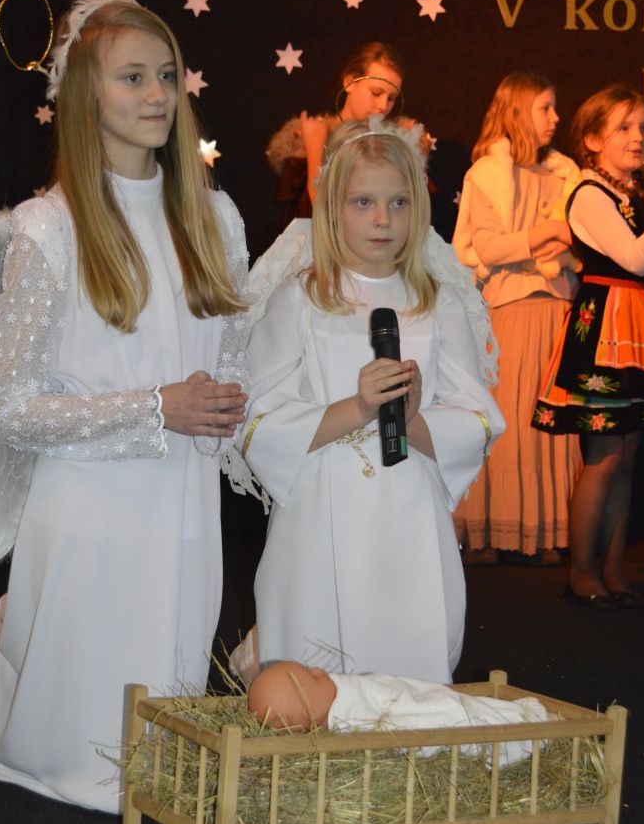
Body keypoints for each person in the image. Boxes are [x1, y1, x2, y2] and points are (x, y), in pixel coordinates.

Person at [0, 0, 250, 811]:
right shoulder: (50, 229)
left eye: (167, 75)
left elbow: (235, 354)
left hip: (182, 502)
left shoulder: (216, 217)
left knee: (156, 734)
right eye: (133, 77)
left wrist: (229, 404)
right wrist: (155, 408)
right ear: (85, 95)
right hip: (91, 507)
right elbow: (10, 407)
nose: (158, 94)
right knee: (82, 755)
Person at [238, 119, 504, 684]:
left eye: (398, 202)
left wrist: (413, 418)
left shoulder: (438, 305)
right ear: (333, 210)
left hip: (409, 511)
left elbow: (478, 418)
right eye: (364, 202)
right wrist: (358, 408)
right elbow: (259, 422)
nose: (383, 219)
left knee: (409, 649)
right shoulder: (300, 301)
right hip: (318, 510)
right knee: (316, 657)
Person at [532, 84, 644, 608]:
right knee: (605, 455)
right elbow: (635, 258)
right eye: (624, 128)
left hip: (640, 325)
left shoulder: (640, 194)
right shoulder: (590, 193)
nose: (639, 138)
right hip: (605, 324)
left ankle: (612, 569)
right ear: (592, 139)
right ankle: (582, 571)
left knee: (629, 455)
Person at [452, 73, 584, 565]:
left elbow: (579, 240)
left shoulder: (565, 175)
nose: (556, 118)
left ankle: (546, 531)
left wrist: (556, 240)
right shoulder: (488, 174)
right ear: (517, 111)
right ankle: (492, 530)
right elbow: (486, 247)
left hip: (559, 308)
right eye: (545, 107)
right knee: (510, 424)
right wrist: (546, 232)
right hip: (511, 309)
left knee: (552, 426)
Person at [247, 661, 549, 767]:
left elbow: (401, 689)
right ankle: (520, 728)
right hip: (442, 715)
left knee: (445, 700)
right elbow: (410, 721)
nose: (319, 669)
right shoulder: (356, 718)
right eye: (313, 677)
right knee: (455, 711)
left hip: (427, 699)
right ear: (312, 713)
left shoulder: (344, 697)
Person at [266, 41, 430, 223]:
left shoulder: (399, 146)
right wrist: (315, 148)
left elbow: (414, 217)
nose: (383, 105)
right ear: (350, 82)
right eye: (376, 93)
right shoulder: (306, 142)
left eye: (391, 98)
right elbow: (319, 220)